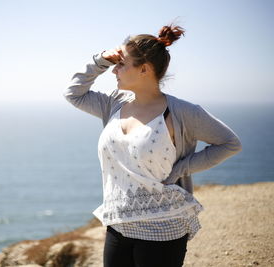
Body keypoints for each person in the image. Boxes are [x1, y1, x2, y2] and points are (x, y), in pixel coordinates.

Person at [63, 23, 242, 267]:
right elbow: (74, 93)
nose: (114, 70)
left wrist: (181, 169)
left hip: (163, 225)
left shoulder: (182, 112)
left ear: (144, 69)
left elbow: (229, 143)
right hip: (118, 223)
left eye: (121, 64)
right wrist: (100, 60)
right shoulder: (114, 103)